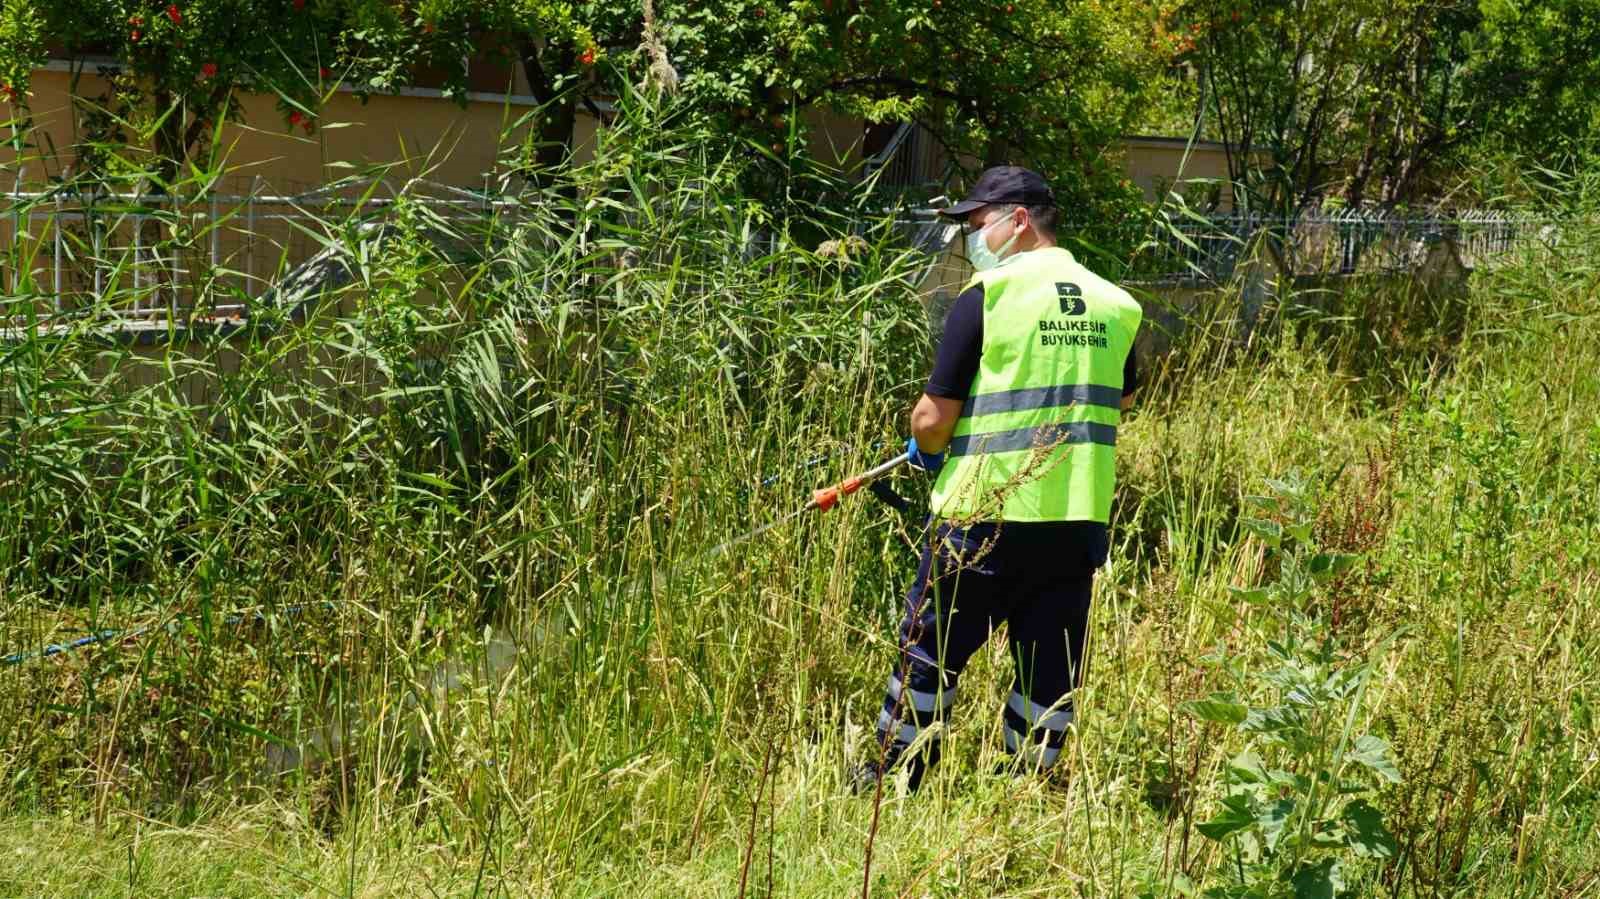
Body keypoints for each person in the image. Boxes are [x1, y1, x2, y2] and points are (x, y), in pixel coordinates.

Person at [855, 166, 1142, 791]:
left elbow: (933, 418)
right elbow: (1115, 403)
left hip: (979, 520)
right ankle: (1026, 791)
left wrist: (927, 449)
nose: (970, 238)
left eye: (976, 223)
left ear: (1017, 220)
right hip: (1073, 521)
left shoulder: (988, 297)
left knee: (929, 656)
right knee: (1049, 669)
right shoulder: (1118, 305)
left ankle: (890, 784)